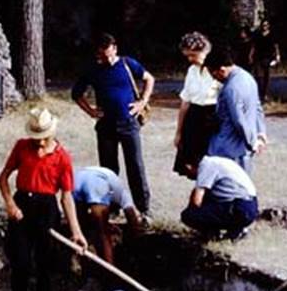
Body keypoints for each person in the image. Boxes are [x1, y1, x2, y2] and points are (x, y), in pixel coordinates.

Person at [0, 108, 88, 291]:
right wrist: (10, 204)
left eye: (44, 138)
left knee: (45, 266)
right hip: (22, 207)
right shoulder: (21, 147)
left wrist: (76, 231)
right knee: (21, 263)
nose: (39, 144)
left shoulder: (62, 157)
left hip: (47, 210)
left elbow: (66, 196)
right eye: (36, 138)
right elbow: (3, 177)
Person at [71, 33, 154, 218]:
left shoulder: (127, 64)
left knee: (135, 167)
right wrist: (91, 111)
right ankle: (114, 208)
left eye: (109, 54)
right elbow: (76, 93)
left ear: (114, 49)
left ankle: (143, 208)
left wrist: (142, 101)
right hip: (106, 126)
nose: (106, 59)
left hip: (129, 123)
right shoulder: (93, 69)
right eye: (102, 56)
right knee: (108, 170)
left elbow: (149, 79)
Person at [204, 45, 267, 173]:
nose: (213, 78)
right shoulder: (248, 78)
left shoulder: (231, 88)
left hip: (227, 150)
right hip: (243, 150)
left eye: (213, 74)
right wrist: (260, 133)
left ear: (221, 70)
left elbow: (239, 120)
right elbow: (257, 107)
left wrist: (252, 142)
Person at [173, 31, 220, 179]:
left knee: (211, 165)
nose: (190, 59)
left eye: (193, 55)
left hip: (212, 118)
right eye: (187, 56)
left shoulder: (217, 71)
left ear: (204, 51)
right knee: (192, 166)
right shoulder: (192, 71)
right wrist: (179, 132)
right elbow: (185, 101)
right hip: (193, 119)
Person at [180, 155, 259, 242]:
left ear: (188, 166)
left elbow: (196, 201)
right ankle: (236, 231)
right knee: (208, 203)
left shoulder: (206, 166)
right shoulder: (215, 162)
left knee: (189, 215)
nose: (188, 177)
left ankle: (212, 236)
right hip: (250, 206)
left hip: (241, 207)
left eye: (186, 173)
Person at [72, 166, 142, 264]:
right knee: (103, 233)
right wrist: (136, 243)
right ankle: (109, 271)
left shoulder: (116, 188)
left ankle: (83, 262)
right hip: (97, 183)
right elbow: (132, 218)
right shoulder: (123, 195)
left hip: (76, 182)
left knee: (81, 228)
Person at [235, 21, 280, 103]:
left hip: (268, 57)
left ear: (268, 26)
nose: (264, 27)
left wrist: (277, 56)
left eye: (266, 25)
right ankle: (259, 93)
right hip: (258, 56)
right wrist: (250, 56)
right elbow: (254, 46)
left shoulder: (272, 35)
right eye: (263, 25)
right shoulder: (258, 35)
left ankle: (265, 94)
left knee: (266, 75)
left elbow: (276, 46)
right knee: (258, 75)